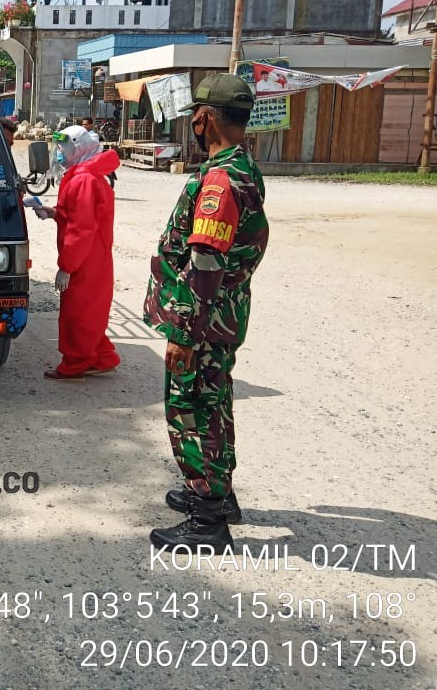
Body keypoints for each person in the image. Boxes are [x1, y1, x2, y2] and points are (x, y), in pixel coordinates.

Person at [143, 74, 269, 551]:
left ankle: (207, 517)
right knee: (215, 401)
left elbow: (206, 263)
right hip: (223, 314)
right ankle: (221, 494)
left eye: (194, 117)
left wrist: (184, 334)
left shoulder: (219, 179)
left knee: (192, 409)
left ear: (203, 118)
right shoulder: (242, 166)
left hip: (205, 319)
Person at [33, 126, 121, 380]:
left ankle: (75, 364)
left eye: (65, 148)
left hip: (85, 259)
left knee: (78, 314)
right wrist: (54, 213)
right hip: (92, 257)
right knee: (89, 311)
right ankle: (103, 357)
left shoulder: (84, 179)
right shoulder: (86, 175)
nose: (61, 153)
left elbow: (82, 228)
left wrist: (66, 266)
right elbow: (77, 216)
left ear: (77, 147)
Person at [81, 116, 117, 188]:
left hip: (91, 158)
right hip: (82, 155)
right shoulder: (81, 134)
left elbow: (90, 142)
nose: (83, 126)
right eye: (82, 124)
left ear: (91, 125)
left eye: (85, 124)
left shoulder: (93, 135)